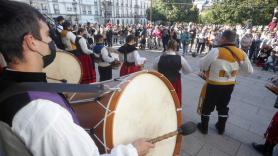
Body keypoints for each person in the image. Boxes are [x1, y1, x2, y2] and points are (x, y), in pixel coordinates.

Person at [0, 1, 154, 156]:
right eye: (47, 35)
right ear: (31, 42)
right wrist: (133, 151)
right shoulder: (43, 112)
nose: (52, 42)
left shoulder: (7, 85)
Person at [197, 30, 253, 135]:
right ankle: (221, 128)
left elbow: (202, 65)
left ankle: (204, 128)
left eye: (220, 38)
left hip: (214, 84)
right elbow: (249, 71)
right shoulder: (241, 53)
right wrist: (233, 73)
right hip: (229, 85)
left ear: (223, 39)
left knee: (207, 106)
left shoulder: (216, 51)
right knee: (223, 106)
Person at [153, 40, 192, 104]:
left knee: (162, 99)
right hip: (175, 82)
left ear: (166, 46)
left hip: (162, 82)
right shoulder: (180, 58)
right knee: (174, 100)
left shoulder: (159, 58)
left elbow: (154, 69)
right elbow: (188, 71)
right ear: (176, 48)